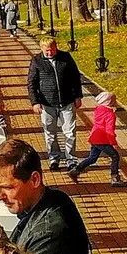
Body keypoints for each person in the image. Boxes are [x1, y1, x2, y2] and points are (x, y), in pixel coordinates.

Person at [27, 37, 83, 170]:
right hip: (47, 103)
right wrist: (35, 102)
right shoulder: (37, 61)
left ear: (56, 47)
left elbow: (75, 77)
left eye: (52, 50)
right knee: (50, 132)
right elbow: (31, 83)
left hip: (67, 101)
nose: (50, 53)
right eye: (47, 51)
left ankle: (71, 159)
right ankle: (54, 158)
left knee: (70, 132)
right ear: (41, 49)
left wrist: (78, 96)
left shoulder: (65, 58)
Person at [69, 91, 125, 185]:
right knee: (115, 156)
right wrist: (114, 143)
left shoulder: (99, 109)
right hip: (103, 140)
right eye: (114, 100)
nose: (116, 102)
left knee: (92, 158)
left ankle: (75, 171)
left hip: (95, 137)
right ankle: (115, 177)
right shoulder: (110, 114)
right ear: (109, 102)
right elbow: (109, 130)